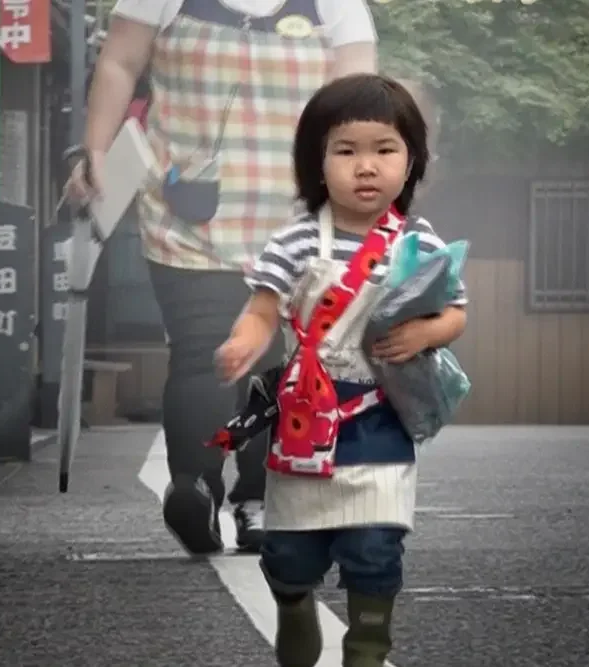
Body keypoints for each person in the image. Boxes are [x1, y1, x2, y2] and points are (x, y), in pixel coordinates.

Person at [67, 0, 381, 555]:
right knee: (203, 349)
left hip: (298, 219)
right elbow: (118, 63)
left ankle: (259, 497)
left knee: (278, 361)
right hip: (189, 210)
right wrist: (95, 148)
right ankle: (197, 488)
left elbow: (357, 103)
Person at [215, 74, 469, 667]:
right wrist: (244, 342)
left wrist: (427, 332)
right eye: (346, 150)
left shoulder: (418, 240)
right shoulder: (298, 240)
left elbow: (456, 311)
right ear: (317, 162)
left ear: (411, 161)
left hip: (380, 421)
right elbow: (263, 307)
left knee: (377, 549)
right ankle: (294, 606)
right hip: (305, 420)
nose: (366, 167)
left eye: (385, 149)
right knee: (290, 555)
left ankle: (367, 647)